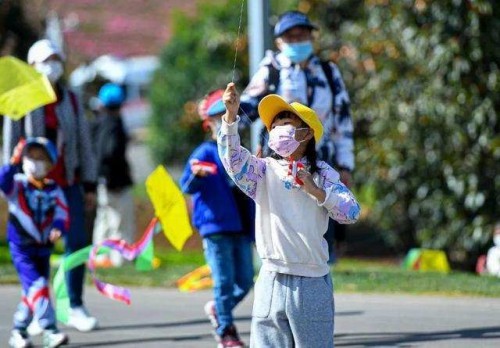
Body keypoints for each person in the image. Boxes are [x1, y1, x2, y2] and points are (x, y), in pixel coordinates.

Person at [219, 83, 360, 347]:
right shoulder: (263, 171)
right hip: (270, 278)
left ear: (306, 133)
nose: (277, 128)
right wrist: (230, 117)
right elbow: (233, 160)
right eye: (274, 124)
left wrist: (317, 191)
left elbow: (351, 211)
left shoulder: (323, 174)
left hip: (311, 282)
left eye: (286, 120)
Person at [240, 10, 355, 263]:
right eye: (289, 37)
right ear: (279, 41)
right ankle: (278, 268)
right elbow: (247, 105)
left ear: (311, 37)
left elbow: (342, 121)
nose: (296, 41)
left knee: (320, 216)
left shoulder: (328, 72)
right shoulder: (272, 69)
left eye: (301, 35)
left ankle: (318, 273)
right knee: (283, 215)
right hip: (279, 159)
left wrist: (346, 165)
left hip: (320, 157)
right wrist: (225, 118)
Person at [2, 39, 98, 332]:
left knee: (77, 242)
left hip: (67, 182)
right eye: (45, 60)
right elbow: (10, 145)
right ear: (32, 66)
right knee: (34, 251)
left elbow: (83, 141)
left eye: (56, 58)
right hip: (32, 187)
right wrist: (10, 185)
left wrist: (90, 183)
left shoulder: (70, 98)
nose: (52, 64)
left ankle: (73, 305)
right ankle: (34, 308)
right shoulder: (23, 98)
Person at [180, 89, 254, 348]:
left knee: (245, 281)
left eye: (227, 115)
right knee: (223, 282)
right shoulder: (204, 152)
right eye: (217, 117)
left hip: (241, 227)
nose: (223, 121)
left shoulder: (240, 152)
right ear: (208, 124)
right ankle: (226, 330)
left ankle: (218, 308)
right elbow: (186, 186)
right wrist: (196, 175)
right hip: (215, 226)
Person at [1, 138, 69, 348]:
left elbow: (62, 212)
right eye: (30, 157)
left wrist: (59, 227)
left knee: (31, 293)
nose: (34, 162)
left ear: (50, 164)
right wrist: (12, 162)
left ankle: (18, 331)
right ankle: (50, 329)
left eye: (40, 158)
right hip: (22, 248)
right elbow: (3, 182)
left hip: (43, 249)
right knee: (38, 286)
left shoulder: (54, 189)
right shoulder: (18, 184)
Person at [91, 83, 135, 267]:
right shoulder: (115, 124)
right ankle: (120, 260)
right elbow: (111, 151)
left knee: (103, 220)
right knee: (121, 222)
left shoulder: (97, 123)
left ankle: (100, 257)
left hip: (100, 181)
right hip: (115, 182)